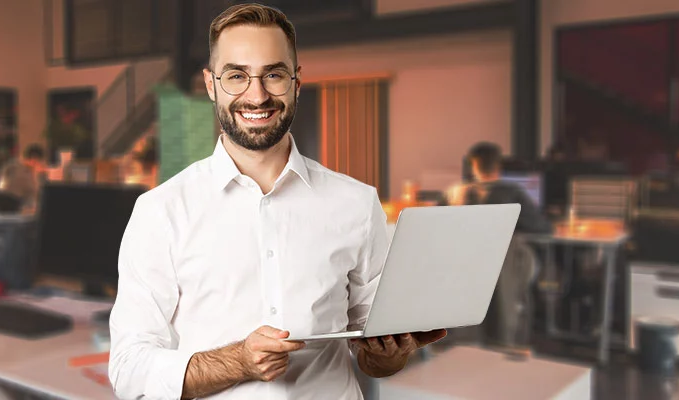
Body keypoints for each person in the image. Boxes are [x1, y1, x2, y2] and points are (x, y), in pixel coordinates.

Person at [108, 5, 445, 399]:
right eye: (236, 76)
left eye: (273, 74)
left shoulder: (356, 202)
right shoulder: (160, 211)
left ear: (296, 83)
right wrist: (237, 361)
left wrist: (389, 354)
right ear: (211, 84)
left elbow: (373, 357)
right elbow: (129, 370)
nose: (257, 96)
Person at [447, 142, 552, 234]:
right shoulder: (512, 191)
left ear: (473, 166)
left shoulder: (455, 192)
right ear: (498, 165)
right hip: (504, 249)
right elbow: (540, 227)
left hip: (466, 248)